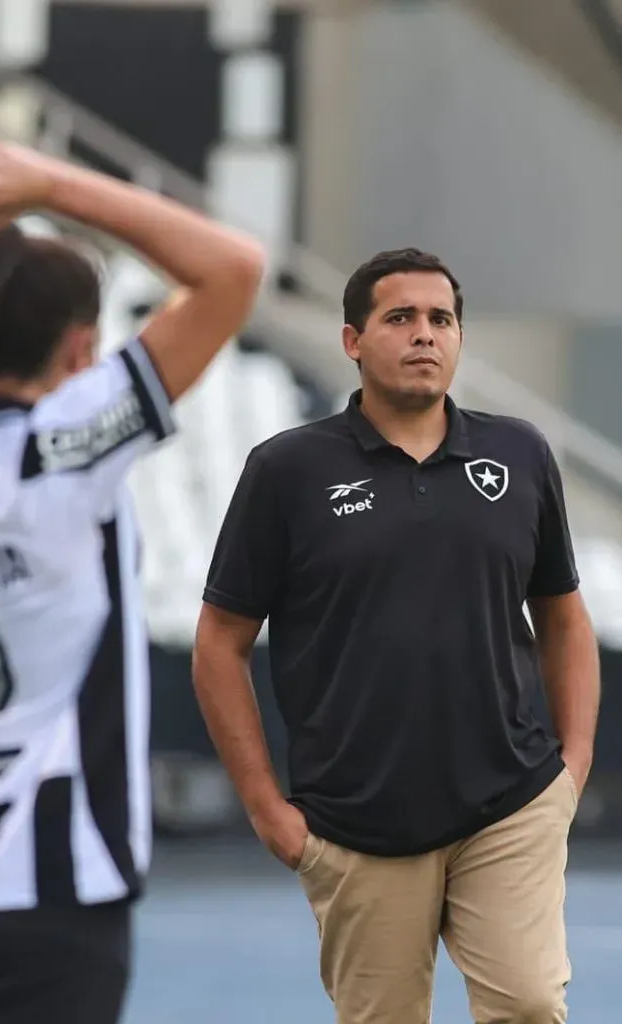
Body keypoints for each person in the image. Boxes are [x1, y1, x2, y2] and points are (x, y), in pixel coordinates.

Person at [0, 113, 264, 1024]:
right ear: (79, 351)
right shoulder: (63, 448)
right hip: (51, 899)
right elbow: (234, 270)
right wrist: (46, 183)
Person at [192, 247, 599, 1024]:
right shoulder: (287, 470)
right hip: (356, 821)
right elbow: (219, 642)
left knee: (531, 1004)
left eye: (440, 319)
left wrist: (571, 767)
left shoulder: (519, 453)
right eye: (400, 318)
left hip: (510, 801)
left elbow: (563, 616)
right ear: (352, 340)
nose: (424, 335)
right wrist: (265, 809)